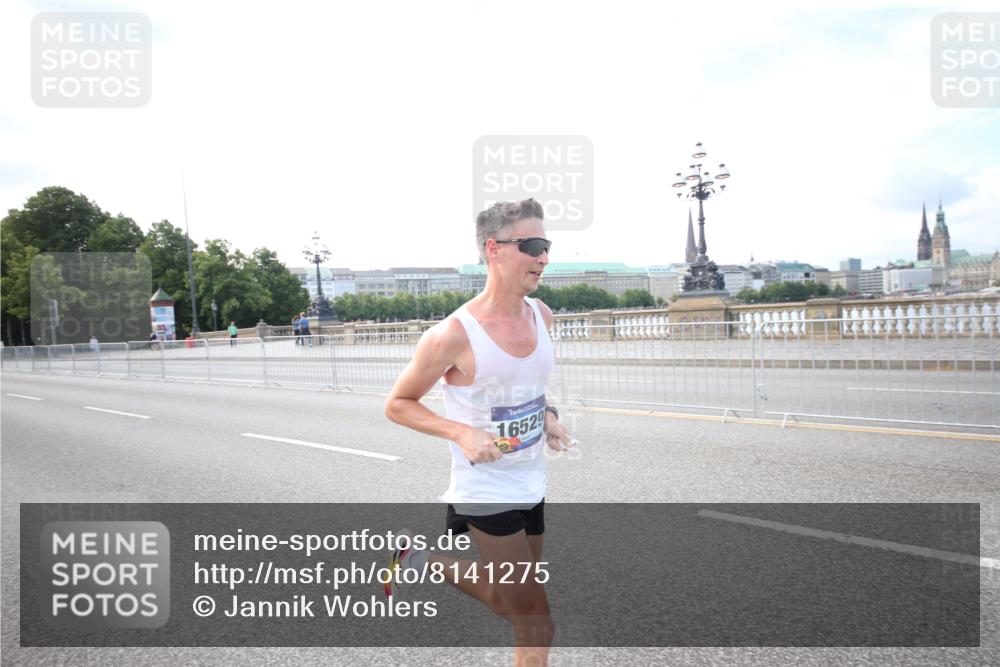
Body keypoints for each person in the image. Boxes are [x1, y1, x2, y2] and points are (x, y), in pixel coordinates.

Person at [384, 198, 577, 666]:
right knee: (535, 621)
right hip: (485, 490)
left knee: (502, 599)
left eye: (546, 246)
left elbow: (528, 387)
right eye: (532, 246)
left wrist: (548, 416)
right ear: (494, 249)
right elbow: (398, 404)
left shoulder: (542, 315)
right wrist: (461, 433)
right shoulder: (454, 334)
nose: (544, 257)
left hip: (531, 482)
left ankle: (415, 558)